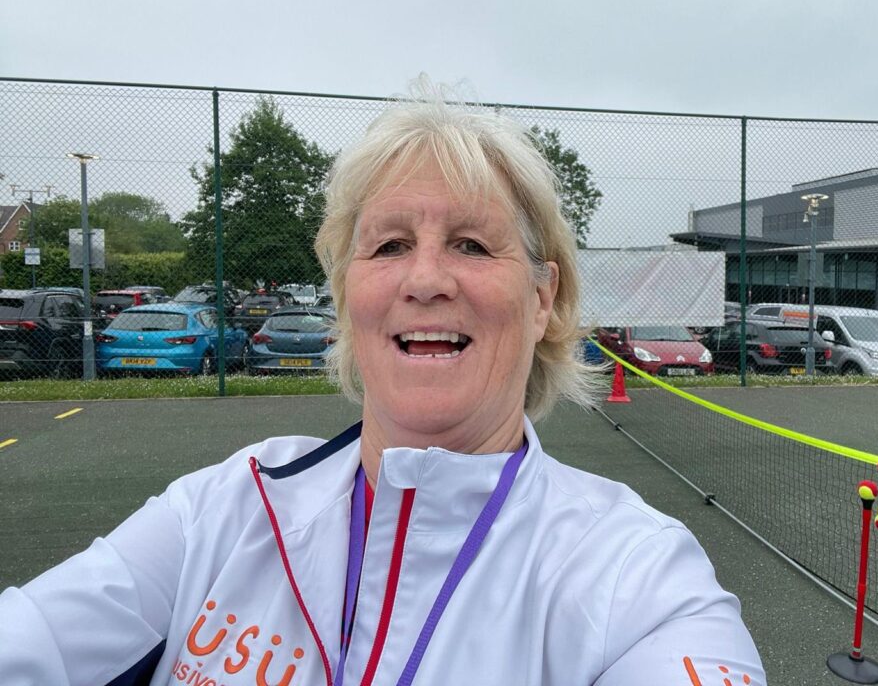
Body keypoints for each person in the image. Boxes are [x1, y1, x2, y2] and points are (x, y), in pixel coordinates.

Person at [0, 83, 765, 686]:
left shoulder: (639, 578)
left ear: (542, 300)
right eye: (390, 245)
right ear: (347, 297)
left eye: (472, 244)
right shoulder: (219, 513)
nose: (425, 278)